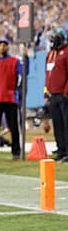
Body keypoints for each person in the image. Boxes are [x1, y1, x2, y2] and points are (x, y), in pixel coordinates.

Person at [44, 27, 68, 161]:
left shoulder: (66, 52)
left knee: (66, 123)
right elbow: (47, 74)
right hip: (53, 94)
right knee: (57, 124)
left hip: (64, 95)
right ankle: (61, 150)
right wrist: (46, 92)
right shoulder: (51, 54)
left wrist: (66, 91)